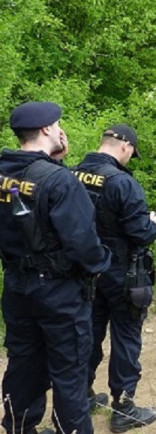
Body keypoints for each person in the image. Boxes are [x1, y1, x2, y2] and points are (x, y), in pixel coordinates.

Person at [0, 101, 112, 434]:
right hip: (59, 291)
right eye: (59, 123)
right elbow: (83, 243)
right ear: (49, 129)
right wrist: (101, 264)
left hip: (17, 284)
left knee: (23, 362)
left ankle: (19, 427)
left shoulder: (5, 172)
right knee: (69, 371)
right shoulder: (60, 182)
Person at [72, 124, 156, 432]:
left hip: (84, 269)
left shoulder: (71, 173)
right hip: (122, 271)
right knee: (125, 335)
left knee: (89, 332)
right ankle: (124, 406)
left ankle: (81, 395)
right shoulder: (122, 183)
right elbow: (140, 233)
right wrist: (151, 224)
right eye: (131, 155)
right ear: (125, 148)